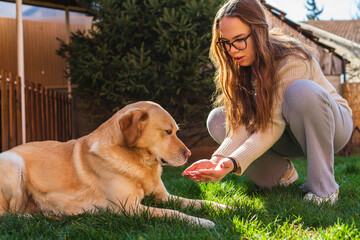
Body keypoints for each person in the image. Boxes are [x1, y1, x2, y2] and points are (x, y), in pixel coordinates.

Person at [182, 0, 353, 205]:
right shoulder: (239, 66)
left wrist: (234, 161)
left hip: (332, 128)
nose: (232, 50)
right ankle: (281, 177)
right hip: (287, 134)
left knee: (301, 91)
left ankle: (324, 189)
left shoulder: (293, 58)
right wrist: (218, 161)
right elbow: (242, 123)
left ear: (259, 32)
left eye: (239, 39)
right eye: (225, 43)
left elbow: (271, 124)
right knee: (219, 119)